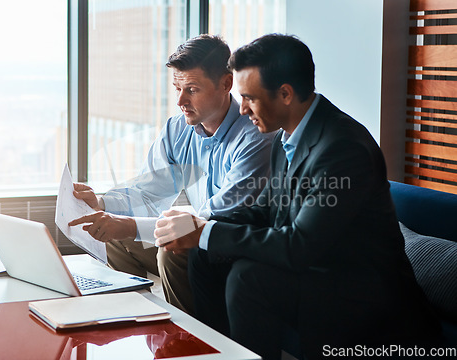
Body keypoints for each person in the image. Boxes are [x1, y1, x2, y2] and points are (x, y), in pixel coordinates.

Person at [153, 34, 441, 359]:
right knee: (203, 255)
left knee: (249, 279)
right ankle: (215, 353)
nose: (242, 108)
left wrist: (206, 232)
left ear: (286, 94)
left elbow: (299, 245)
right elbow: (265, 211)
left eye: (250, 98)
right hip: (318, 273)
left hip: (363, 292)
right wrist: (200, 225)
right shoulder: (284, 138)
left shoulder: (341, 148)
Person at [69, 34, 273, 316]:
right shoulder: (178, 129)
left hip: (231, 247)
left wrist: (128, 224)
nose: (180, 100)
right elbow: (148, 191)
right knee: (113, 236)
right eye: (177, 88)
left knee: (172, 248)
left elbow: (212, 220)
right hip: (201, 237)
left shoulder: (255, 137)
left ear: (226, 84)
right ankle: (138, 320)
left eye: (191, 89)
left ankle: (190, 340)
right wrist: (102, 204)